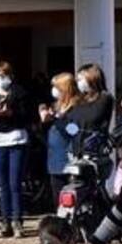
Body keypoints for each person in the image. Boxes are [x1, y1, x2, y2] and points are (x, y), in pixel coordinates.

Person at [0, 61, 32, 238]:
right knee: (2, 185)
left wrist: (11, 113)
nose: (1, 79)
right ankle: (5, 221)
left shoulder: (20, 93)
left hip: (17, 139)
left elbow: (28, 117)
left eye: (4, 75)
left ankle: (17, 221)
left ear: (11, 76)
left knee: (15, 183)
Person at [40, 72, 81, 204]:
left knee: (70, 200)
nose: (54, 91)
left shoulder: (76, 107)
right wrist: (45, 120)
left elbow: (74, 130)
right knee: (57, 200)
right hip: (54, 160)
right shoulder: (56, 106)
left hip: (68, 160)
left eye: (57, 87)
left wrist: (57, 119)